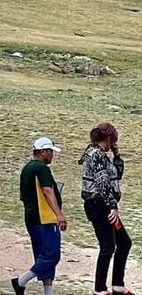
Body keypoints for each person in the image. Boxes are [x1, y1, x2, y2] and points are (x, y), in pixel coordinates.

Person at [81, 123, 131, 295]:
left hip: (104, 206)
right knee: (108, 245)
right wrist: (112, 206)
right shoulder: (96, 155)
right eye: (114, 140)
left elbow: (116, 175)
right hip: (100, 206)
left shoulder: (101, 154)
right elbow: (102, 183)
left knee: (124, 242)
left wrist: (117, 155)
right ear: (109, 138)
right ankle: (100, 288)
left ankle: (117, 284)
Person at [15, 136, 69, 295]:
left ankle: (48, 291)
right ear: (43, 151)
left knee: (42, 255)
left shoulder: (27, 168)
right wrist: (59, 214)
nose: (52, 155)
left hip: (31, 217)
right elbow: (48, 191)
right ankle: (21, 281)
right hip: (45, 218)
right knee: (51, 255)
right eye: (51, 152)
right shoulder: (42, 168)